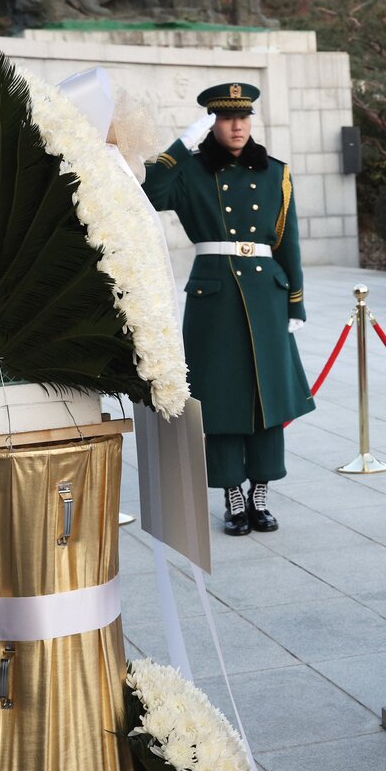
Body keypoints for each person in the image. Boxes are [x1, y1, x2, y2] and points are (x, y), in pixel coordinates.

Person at [142, 83, 314, 536]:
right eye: (224, 118)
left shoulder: (276, 172)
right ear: (211, 124)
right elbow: (149, 193)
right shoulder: (191, 172)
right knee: (219, 398)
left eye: (243, 117)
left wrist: (295, 299)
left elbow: (287, 241)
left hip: (265, 294)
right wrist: (181, 145)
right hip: (214, 297)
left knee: (266, 398)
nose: (237, 125)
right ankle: (231, 494)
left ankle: (260, 492)